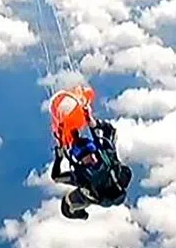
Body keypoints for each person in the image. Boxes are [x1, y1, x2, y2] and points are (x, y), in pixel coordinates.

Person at [48, 87, 132, 219]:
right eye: (85, 157)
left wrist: (59, 157)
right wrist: (92, 122)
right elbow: (110, 131)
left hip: (102, 195)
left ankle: (81, 213)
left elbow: (56, 176)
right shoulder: (105, 154)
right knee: (67, 206)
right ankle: (82, 214)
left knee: (67, 204)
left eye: (88, 155)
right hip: (105, 192)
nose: (89, 159)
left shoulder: (83, 174)